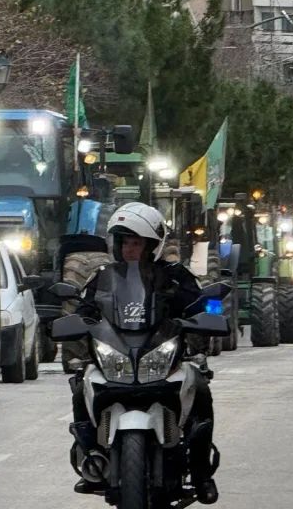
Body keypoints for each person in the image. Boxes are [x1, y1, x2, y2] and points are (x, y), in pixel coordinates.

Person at [68, 202, 218, 504]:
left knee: (200, 389)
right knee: (80, 386)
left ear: (152, 244)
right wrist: (73, 322)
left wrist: (207, 316)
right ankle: (92, 459)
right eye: (123, 241)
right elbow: (85, 309)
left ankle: (201, 474)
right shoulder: (103, 277)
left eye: (135, 242)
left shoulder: (176, 276)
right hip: (119, 355)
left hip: (161, 356)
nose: (128, 248)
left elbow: (202, 305)